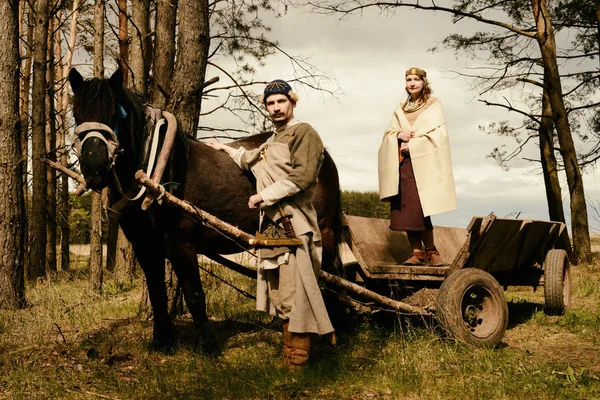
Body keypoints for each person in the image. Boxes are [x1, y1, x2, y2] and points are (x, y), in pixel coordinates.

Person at [207, 79, 334, 370]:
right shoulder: (273, 140)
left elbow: (302, 177)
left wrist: (262, 195)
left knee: (299, 288)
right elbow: (251, 159)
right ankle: (290, 354)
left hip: (297, 222)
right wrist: (226, 150)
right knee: (281, 289)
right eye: (270, 103)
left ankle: (299, 360)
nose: (276, 108)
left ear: (292, 102)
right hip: (273, 224)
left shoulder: (305, 133)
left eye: (281, 102)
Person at [378, 67, 457, 266]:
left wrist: (413, 145)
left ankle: (431, 251)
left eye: (416, 79)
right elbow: (390, 132)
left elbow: (439, 135)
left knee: (420, 207)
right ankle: (416, 253)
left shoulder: (433, 104)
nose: (412, 83)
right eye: (408, 79)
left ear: (424, 82)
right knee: (405, 210)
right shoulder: (402, 107)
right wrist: (398, 136)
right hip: (402, 165)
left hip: (423, 163)